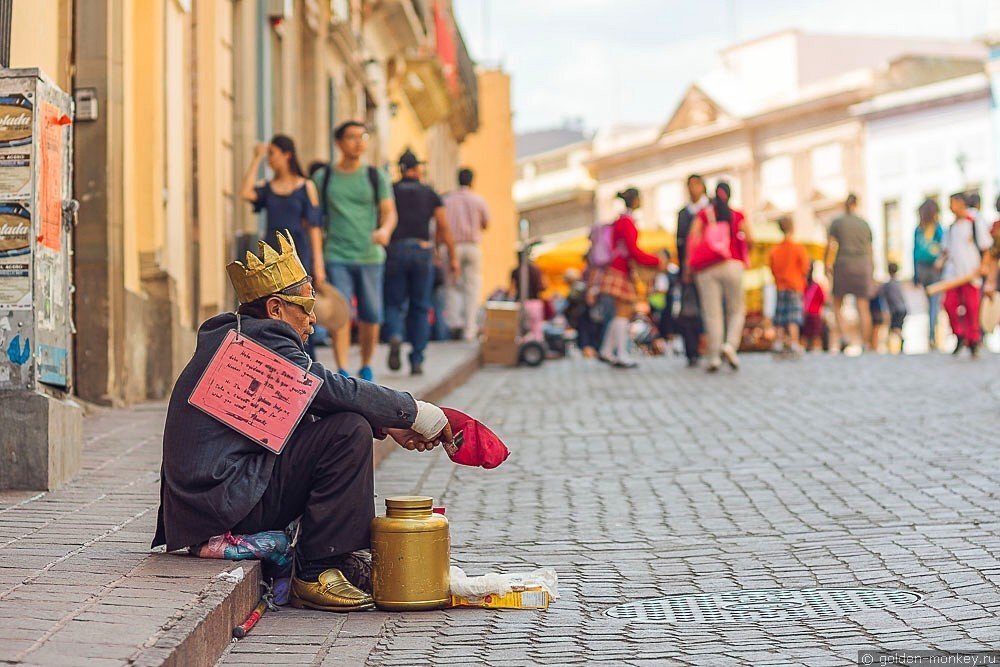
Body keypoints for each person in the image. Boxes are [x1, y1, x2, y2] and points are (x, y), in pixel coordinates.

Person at [152, 232, 453, 612]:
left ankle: (335, 558)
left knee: (345, 424)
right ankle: (316, 568)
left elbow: (307, 403)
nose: (313, 319)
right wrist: (414, 411)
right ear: (276, 309)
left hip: (209, 502)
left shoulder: (240, 334)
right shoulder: (263, 340)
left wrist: (387, 424)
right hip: (222, 503)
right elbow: (328, 389)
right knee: (347, 433)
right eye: (306, 306)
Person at [312, 121, 397, 381]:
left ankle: (367, 364)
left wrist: (384, 231)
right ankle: (343, 368)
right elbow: (314, 222)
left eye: (363, 136)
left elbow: (390, 213)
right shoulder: (324, 178)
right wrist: (318, 260)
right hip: (336, 254)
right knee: (341, 313)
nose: (359, 142)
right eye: (351, 137)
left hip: (370, 256)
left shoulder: (375, 176)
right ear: (338, 143)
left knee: (371, 314)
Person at [239, 135, 322, 359]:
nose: (269, 159)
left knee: (301, 307)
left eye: (272, 154)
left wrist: (318, 263)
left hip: (298, 253)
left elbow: (314, 226)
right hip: (271, 255)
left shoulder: (306, 186)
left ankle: (306, 360)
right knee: (272, 307)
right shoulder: (267, 187)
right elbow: (245, 192)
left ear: (287, 155)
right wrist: (256, 158)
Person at [384, 149, 457, 376]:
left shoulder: (391, 191)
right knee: (420, 306)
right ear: (416, 169)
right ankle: (417, 358)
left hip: (395, 249)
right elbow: (443, 226)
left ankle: (395, 333)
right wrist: (448, 254)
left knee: (394, 302)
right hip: (422, 250)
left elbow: (382, 217)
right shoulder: (429, 193)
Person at [597, 188, 666, 368]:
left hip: (616, 268)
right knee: (623, 312)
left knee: (620, 312)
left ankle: (607, 349)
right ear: (634, 201)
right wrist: (655, 260)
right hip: (620, 270)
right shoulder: (626, 222)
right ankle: (621, 353)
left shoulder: (620, 221)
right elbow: (633, 251)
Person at [686, 182, 751, 372]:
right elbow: (750, 237)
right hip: (732, 263)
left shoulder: (704, 214)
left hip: (707, 268)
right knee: (737, 309)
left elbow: (693, 237)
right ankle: (730, 345)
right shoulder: (737, 215)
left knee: (712, 313)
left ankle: (713, 356)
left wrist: (690, 265)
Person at [941, 192, 991, 357]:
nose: (950, 207)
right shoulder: (951, 227)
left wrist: (984, 266)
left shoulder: (975, 222)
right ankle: (960, 334)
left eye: (952, 203)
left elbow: (986, 248)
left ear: (960, 203)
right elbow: (946, 251)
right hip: (953, 275)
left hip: (971, 273)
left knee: (972, 307)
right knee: (949, 304)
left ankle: (973, 340)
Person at [444, 168, 490, 341]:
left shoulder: (448, 201)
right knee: (472, 287)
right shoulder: (478, 200)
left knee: (452, 286)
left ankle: (454, 323)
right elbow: (486, 223)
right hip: (472, 245)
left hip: (452, 246)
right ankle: (469, 329)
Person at [824, 194, 874, 352]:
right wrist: (871, 269)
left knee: (837, 304)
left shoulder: (837, 222)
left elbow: (830, 245)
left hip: (843, 264)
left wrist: (827, 263)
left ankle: (844, 337)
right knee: (863, 306)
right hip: (862, 265)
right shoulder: (864, 224)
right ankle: (865, 343)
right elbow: (870, 249)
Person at [676, 174, 710, 366]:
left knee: (709, 309)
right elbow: (680, 243)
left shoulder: (710, 209)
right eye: (689, 185)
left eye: (695, 185)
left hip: (708, 267)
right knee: (688, 312)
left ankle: (709, 346)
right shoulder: (683, 213)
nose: (692, 189)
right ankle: (692, 351)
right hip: (689, 269)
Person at [768, 216, 809, 357]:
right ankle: (794, 342)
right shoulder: (798, 248)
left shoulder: (775, 250)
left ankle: (778, 342)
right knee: (793, 316)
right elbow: (805, 267)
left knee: (780, 316)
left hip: (780, 285)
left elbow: (772, 267)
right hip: (795, 284)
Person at [912, 198, 944, 351]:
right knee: (934, 303)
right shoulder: (937, 229)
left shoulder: (919, 229)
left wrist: (915, 275)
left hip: (922, 269)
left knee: (929, 303)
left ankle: (931, 335)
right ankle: (932, 335)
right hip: (935, 268)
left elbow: (914, 252)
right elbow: (944, 248)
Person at [875, 262, 907, 354]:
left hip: (896, 309)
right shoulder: (899, 283)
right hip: (903, 308)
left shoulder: (887, 285)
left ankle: (899, 340)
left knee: (895, 327)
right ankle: (891, 345)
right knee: (896, 327)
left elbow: (879, 293)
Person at [802, 264, 827, 351]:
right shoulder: (816, 286)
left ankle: (804, 350)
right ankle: (816, 351)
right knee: (816, 336)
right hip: (815, 314)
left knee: (805, 336)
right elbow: (823, 300)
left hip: (806, 314)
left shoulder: (803, 285)